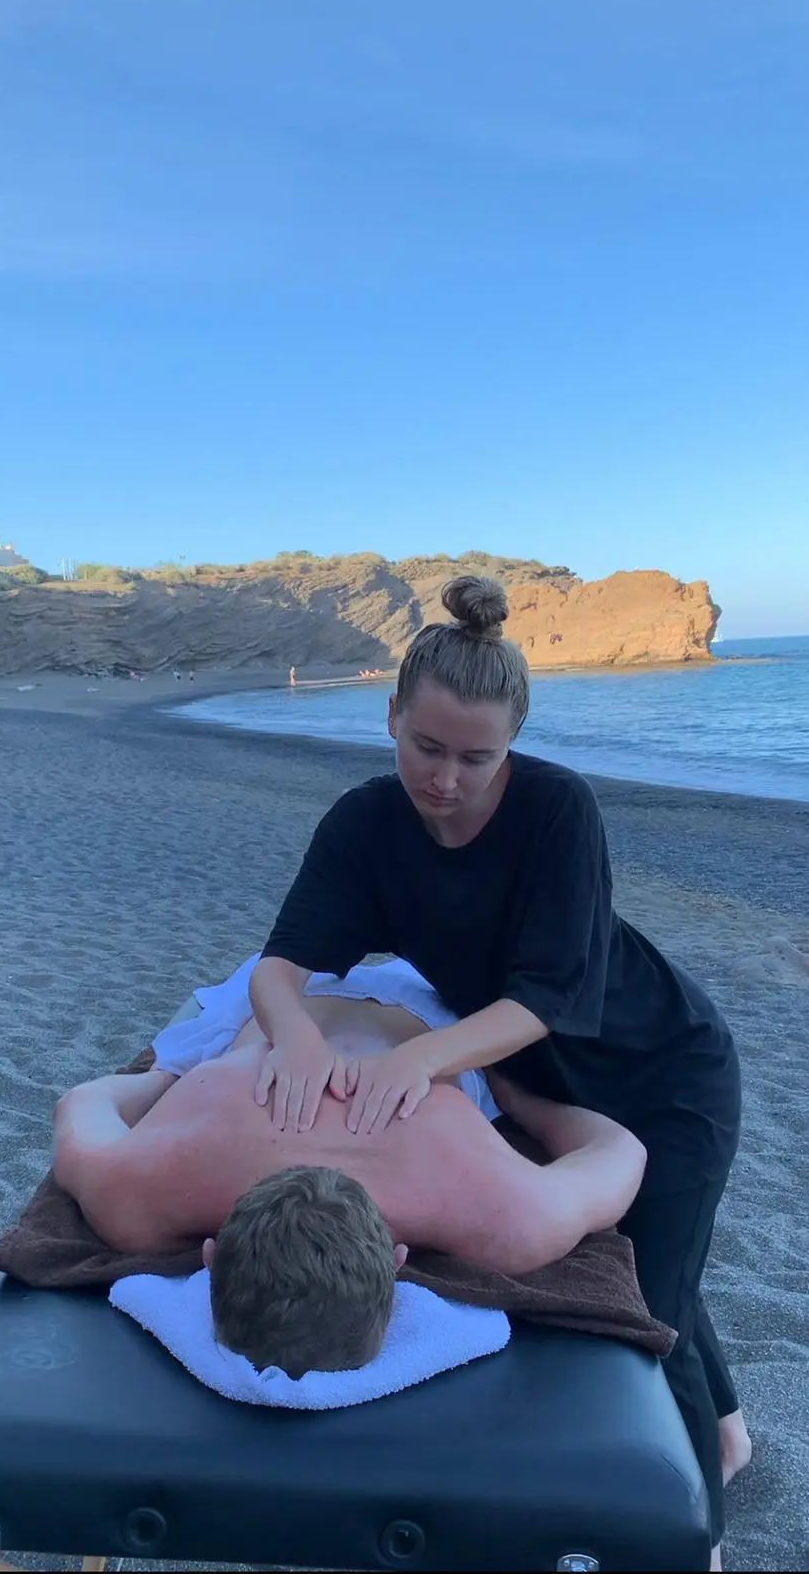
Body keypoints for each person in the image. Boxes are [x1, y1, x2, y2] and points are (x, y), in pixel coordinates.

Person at [249, 574, 748, 1568]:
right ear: (391, 718)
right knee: (659, 1270)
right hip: (543, 1084)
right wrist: (294, 1036)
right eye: (426, 748)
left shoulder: (558, 810)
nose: (446, 780)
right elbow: (279, 967)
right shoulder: (364, 823)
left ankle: (696, 1536)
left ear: (512, 744)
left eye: (478, 758)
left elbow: (549, 996)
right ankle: (731, 1434)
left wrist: (427, 1060)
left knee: (648, 1299)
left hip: (665, 1070)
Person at [52, 992, 645, 1377]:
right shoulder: (135, 1194)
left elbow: (617, 1151)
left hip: (335, 1001)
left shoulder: (510, 1220)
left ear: (394, 1262)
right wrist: (525, 1104)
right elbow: (88, 1102)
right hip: (310, 1001)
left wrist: (164, 1080)